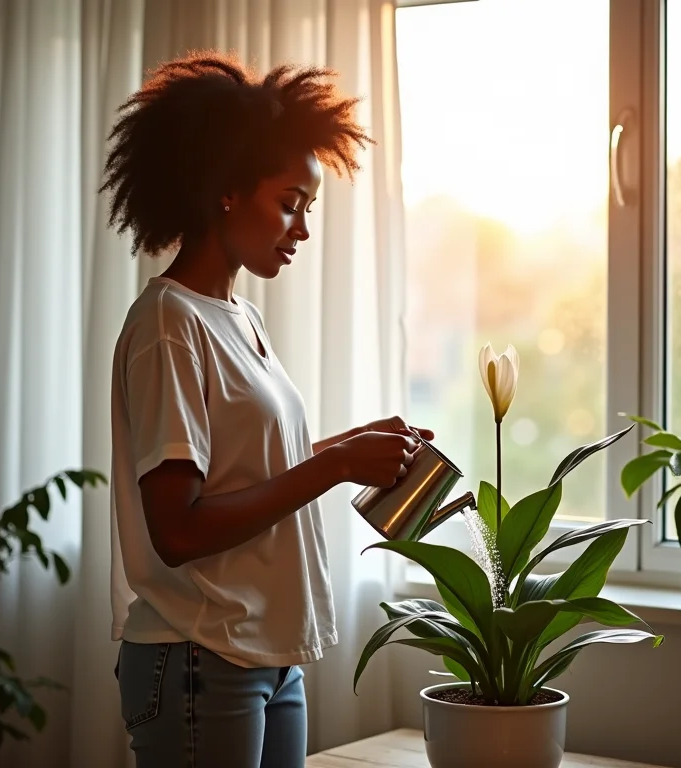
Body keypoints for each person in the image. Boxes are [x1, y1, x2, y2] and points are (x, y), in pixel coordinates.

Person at [101, 51, 433, 768]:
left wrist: (351, 449)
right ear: (225, 191)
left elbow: (241, 474)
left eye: (307, 208)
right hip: (197, 657)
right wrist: (338, 464)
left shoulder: (239, 317)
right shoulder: (168, 325)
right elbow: (178, 529)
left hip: (264, 657)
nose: (301, 229)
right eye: (290, 202)